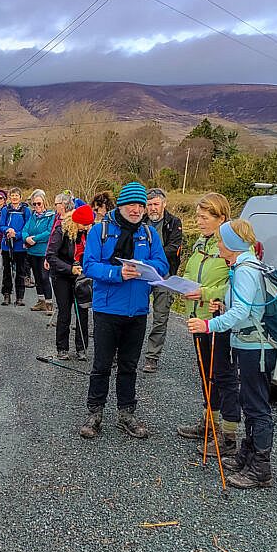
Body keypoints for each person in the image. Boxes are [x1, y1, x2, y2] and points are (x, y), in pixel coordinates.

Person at [186, 219, 277, 489]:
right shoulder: (243, 265)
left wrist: (209, 324)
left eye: (223, 242)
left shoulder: (246, 269)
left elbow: (243, 312)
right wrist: (221, 306)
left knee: (256, 405)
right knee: (249, 401)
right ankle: (248, 456)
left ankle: (261, 468)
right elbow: (243, 306)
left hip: (255, 346)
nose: (219, 246)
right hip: (249, 342)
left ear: (233, 245)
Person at [79, 182, 169, 440]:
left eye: (141, 205)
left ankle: (126, 413)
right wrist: (117, 272)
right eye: (132, 204)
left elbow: (162, 265)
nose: (137, 210)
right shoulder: (101, 231)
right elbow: (89, 266)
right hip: (107, 309)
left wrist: (141, 266)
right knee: (102, 364)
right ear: (121, 204)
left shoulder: (149, 234)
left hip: (138, 310)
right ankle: (95, 412)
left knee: (129, 365)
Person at [177, 193, 241, 454]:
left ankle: (228, 435)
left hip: (218, 319)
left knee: (223, 376)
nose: (199, 222)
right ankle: (209, 423)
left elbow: (233, 285)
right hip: (197, 317)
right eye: (198, 216)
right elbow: (192, 273)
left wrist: (204, 293)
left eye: (204, 217)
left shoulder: (229, 247)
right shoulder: (200, 244)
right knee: (206, 375)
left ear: (221, 218)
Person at [141, 188, 184, 373]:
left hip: (164, 274)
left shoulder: (173, 223)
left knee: (160, 317)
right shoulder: (140, 222)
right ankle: (123, 353)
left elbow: (174, 247)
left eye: (155, 204)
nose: (152, 208)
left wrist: (152, 256)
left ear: (164, 204)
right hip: (142, 273)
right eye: (149, 205)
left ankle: (152, 357)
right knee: (134, 314)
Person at [47, 204, 95, 360]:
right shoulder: (61, 231)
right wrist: (69, 268)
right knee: (65, 312)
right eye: (84, 224)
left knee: (82, 312)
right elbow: (51, 256)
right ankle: (62, 348)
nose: (87, 227)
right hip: (62, 276)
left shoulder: (89, 232)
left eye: (89, 224)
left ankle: (81, 348)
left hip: (81, 277)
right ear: (77, 222)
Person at [22, 189, 55, 314]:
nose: (36, 206)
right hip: (32, 252)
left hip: (44, 252)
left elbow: (49, 233)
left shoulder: (51, 216)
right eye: (34, 204)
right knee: (37, 277)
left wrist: (34, 239)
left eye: (39, 203)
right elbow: (25, 229)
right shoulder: (32, 216)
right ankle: (41, 300)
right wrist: (26, 238)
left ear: (44, 203)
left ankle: (49, 303)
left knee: (44, 277)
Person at [0, 187, 31, 306]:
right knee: (6, 271)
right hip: (7, 245)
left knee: (20, 272)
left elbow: (28, 227)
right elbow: (0, 225)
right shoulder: (5, 210)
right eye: (12, 195)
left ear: (20, 197)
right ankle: (6, 295)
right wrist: (8, 230)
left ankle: (20, 297)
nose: (14, 197)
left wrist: (17, 234)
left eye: (17, 195)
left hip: (20, 246)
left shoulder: (26, 210)